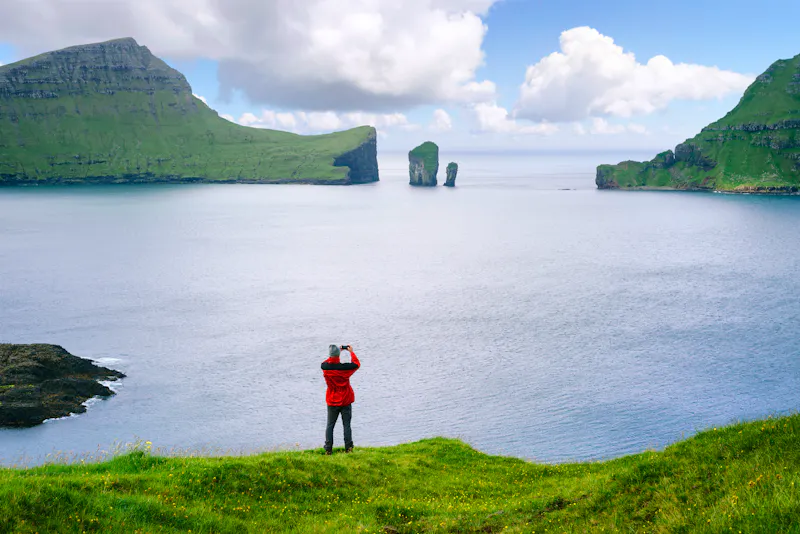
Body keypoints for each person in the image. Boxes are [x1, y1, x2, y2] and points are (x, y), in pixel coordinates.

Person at [321, 344, 360, 455]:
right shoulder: (344, 369)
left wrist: (336, 352)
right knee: (346, 425)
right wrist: (351, 352)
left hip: (332, 400)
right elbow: (357, 364)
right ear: (338, 356)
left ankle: (328, 449)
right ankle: (348, 448)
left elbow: (327, 361)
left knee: (330, 425)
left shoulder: (325, 367)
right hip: (345, 399)